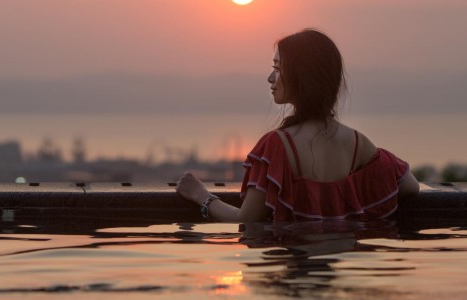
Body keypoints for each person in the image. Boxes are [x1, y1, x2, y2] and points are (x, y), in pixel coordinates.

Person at [176, 28, 419, 223]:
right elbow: (410, 186)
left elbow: (246, 219)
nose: (270, 78)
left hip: (290, 275)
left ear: (302, 77)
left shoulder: (277, 146)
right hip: (338, 275)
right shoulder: (358, 144)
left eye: (278, 69)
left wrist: (201, 195)